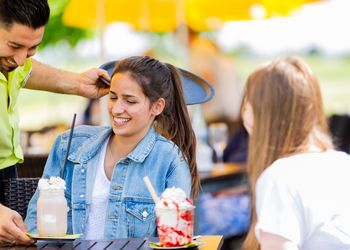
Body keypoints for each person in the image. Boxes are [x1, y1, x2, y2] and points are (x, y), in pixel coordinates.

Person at [25, 56, 200, 240]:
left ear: (157, 107)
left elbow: (176, 238)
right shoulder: (69, 145)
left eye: (130, 101)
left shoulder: (170, 160)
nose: (116, 109)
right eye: (113, 97)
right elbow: (35, 225)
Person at [0, 0, 109, 245]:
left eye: (31, 48)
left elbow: (25, 70)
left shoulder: (11, 60)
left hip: (7, 175)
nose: (19, 60)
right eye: (14, 46)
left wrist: (78, 83)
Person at [240, 56, 350, 250]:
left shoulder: (279, 178)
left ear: (262, 113)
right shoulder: (342, 162)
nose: (243, 110)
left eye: (247, 101)